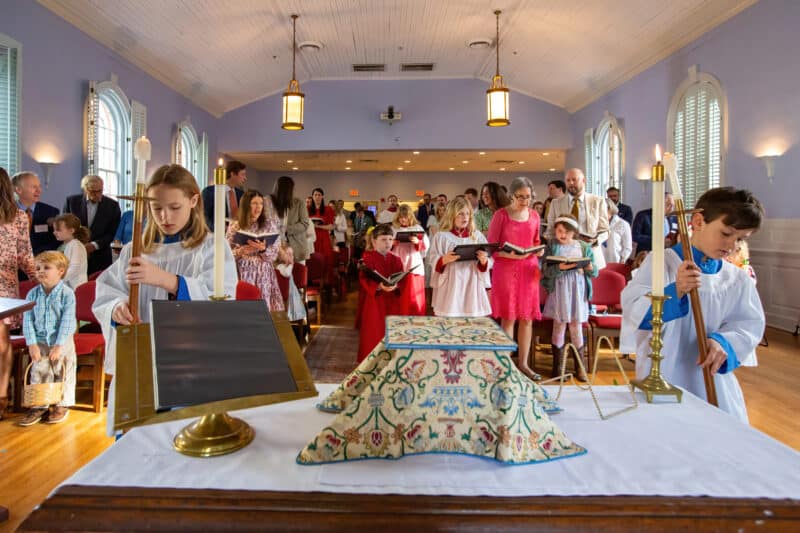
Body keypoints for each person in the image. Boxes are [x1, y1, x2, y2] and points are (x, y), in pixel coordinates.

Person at [93, 164, 237, 434]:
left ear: (194, 201)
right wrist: (116, 309)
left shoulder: (211, 248)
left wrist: (166, 280)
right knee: (137, 441)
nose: (164, 216)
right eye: (157, 208)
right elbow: (106, 291)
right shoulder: (134, 250)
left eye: (174, 207)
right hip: (141, 362)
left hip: (189, 365)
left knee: (183, 439)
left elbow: (222, 301)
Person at [621, 187, 765, 424]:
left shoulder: (735, 278)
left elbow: (748, 325)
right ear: (698, 221)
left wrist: (723, 342)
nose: (731, 245)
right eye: (726, 233)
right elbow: (635, 310)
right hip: (666, 374)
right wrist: (674, 290)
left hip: (712, 378)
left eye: (740, 239)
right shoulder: (662, 264)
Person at [488, 177, 545, 380]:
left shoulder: (535, 216)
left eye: (528, 197)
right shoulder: (501, 215)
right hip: (506, 268)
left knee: (527, 318)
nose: (525, 201)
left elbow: (536, 241)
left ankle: (523, 364)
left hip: (529, 269)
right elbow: (492, 247)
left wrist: (538, 252)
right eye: (521, 197)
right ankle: (506, 365)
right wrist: (508, 255)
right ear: (512, 195)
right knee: (509, 317)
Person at [18, 251, 77, 426]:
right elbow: (27, 320)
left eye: (46, 267)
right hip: (40, 340)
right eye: (38, 268)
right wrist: (32, 344)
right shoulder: (32, 294)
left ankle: (62, 404)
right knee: (40, 369)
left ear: (60, 271)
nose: (41, 271)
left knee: (63, 369)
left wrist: (59, 345)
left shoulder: (67, 294)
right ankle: (39, 404)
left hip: (62, 340)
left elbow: (67, 320)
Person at [541, 215, 598, 381]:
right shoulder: (552, 246)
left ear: (574, 232)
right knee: (559, 325)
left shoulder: (584, 247)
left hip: (577, 289)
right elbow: (546, 269)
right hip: (560, 289)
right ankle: (557, 368)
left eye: (566, 232)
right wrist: (559, 267)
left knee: (576, 326)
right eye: (559, 231)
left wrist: (589, 267)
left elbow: (594, 271)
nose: (562, 235)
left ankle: (580, 368)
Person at [0, 167, 36, 420]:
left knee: (1, 344)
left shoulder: (18, 217)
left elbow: (24, 254)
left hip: (3, 285)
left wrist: (43, 280)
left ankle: (1, 396)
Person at [429, 197, 491, 317]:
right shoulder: (442, 236)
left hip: (472, 283)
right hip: (451, 284)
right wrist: (442, 260)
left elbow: (488, 259)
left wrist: (484, 261)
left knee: (470, 322)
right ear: (452, 215)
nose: (465, 217)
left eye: (467, 213)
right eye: (461, 214)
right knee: (450, 321)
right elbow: (432, 258)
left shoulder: (477, 236)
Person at [226, 190, 284, 312]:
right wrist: (239, 252)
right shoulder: (235, 226)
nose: (258, 207)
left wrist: (263, 250)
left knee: (263, 310)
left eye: (261, 203)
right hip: (242, 272)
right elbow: (226, 254)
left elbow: (273, 255)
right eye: (254, 203)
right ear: (246, 205)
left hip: (263, 273)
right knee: (244, 310)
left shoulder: (269, 224)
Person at [357, 224, 406, 362]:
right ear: (374, 241)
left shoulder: (396, 259)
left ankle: (391, 360)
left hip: (393, 302)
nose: (388, 243)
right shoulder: (368, 258)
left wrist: (397, 284)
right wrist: (378, 286)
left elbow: (402, 279)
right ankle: (370, 362)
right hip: (375, 303)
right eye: (384, 239)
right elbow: (363, 279)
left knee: (391, 332)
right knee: (374, 332)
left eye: (390, 239)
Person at [545, 168, 609, 270]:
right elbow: (550, 231)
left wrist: (596, 240)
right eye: (568, 180)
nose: (571, 183)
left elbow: (605, 230)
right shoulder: (556, 203)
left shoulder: (598, 201)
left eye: (574, 180)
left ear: (583, 181)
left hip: (591, 256)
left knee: (592, 286)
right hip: (564, 257)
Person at [63, 175, 121, 274]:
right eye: (94, 192)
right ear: (85, 189)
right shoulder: (72, 202)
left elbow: (112, 233)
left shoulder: (112, 206)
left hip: (100, 257)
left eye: (100, 191)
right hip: (74, 255)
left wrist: (94, 245)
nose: (98, 195)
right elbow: (65, 227)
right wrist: (78, 245)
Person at [391, 205, 428, 316]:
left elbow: (426, 245)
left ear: (410, 217)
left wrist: (418, 242)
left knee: (413, 294)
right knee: (399, 294)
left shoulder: (417, 228)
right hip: (398, 261)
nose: (403, 219)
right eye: (401, 217)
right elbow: (385, 244)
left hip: (413, 263)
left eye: (406, 217)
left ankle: (415, 316)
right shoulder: (393, 229)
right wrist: (392, 243)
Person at [12, 171, 60, 256]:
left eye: (39, 186)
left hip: (41, 263)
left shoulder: (51, 212)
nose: (39, 190)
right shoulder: (6, 212)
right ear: (18, 190)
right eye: (34, 187)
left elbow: (56, 241)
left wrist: (37, 256)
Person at [271, 176, 311, 264]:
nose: (293, 191)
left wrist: (286, 229)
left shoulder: (299, 203)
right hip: (277, 247)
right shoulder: (271, 204)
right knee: (280, 276)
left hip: (297, 246)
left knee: (299, 275)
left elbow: (304, 224)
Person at [201, 160, 246, 231]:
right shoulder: (209, 192)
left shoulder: (241, 194)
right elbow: (203, 216)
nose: (245, 178)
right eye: (243, 174)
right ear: (233, 174)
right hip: (215, 235)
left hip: (236, 235)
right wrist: (218, 229)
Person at [53, 213, 89, 289]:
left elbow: (74, 268)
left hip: (77, 288)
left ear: (71, 230)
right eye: (54, 230)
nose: (54, 232)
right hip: (69, 286)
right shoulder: (68, 245)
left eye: (58, 230)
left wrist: (57, 279)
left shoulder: (76, 245)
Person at [308, 187, 336, 282]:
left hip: (324, 238)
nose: (317, 197)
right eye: (315, 195)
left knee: (326, 260)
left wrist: (318, 226)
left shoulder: (328, 209)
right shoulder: (307, 209)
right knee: (312, 260)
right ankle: (312, 282)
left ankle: (326, 283)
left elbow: (332, 226)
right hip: (311, 238)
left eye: (319, 195)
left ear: (323, 196)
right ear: (312, 197)